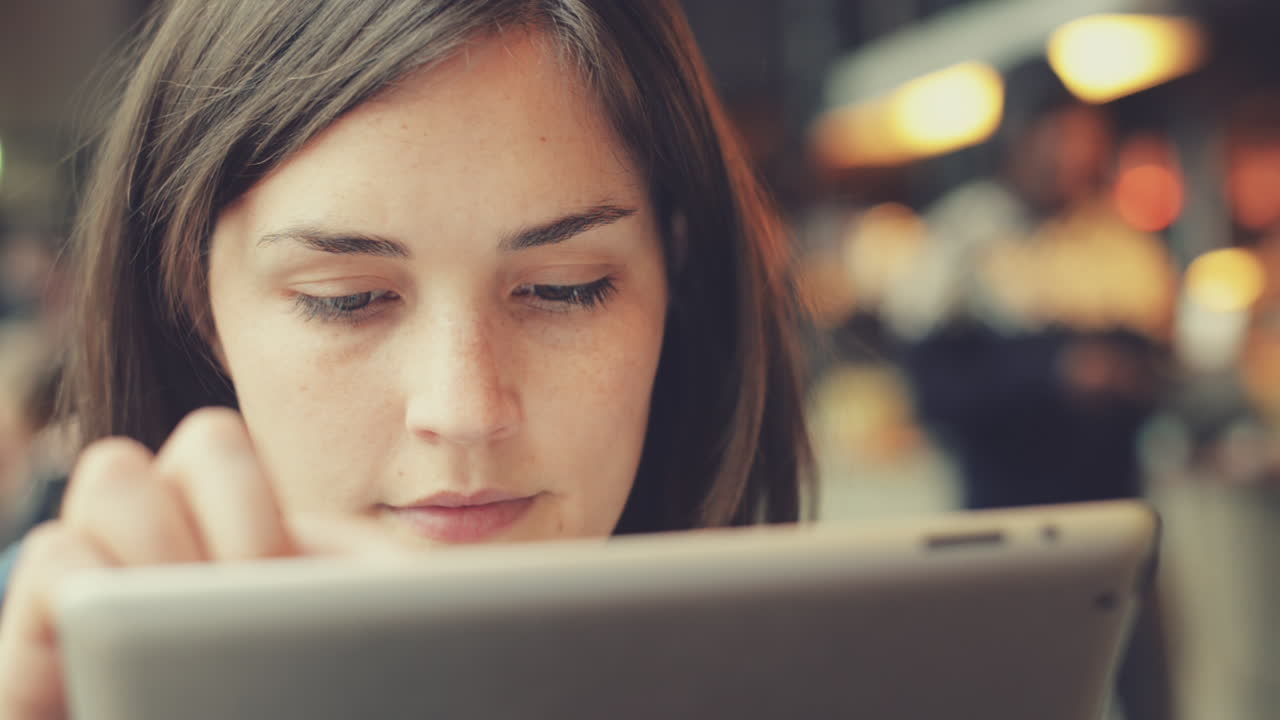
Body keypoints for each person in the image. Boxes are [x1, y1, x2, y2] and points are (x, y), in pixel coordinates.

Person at [0, 1, 813, 716]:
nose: (463, 410)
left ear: (679, 279)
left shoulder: (859, 673)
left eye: (565, 289)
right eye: (345, 299)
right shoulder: (40, 665)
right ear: (194, 303)